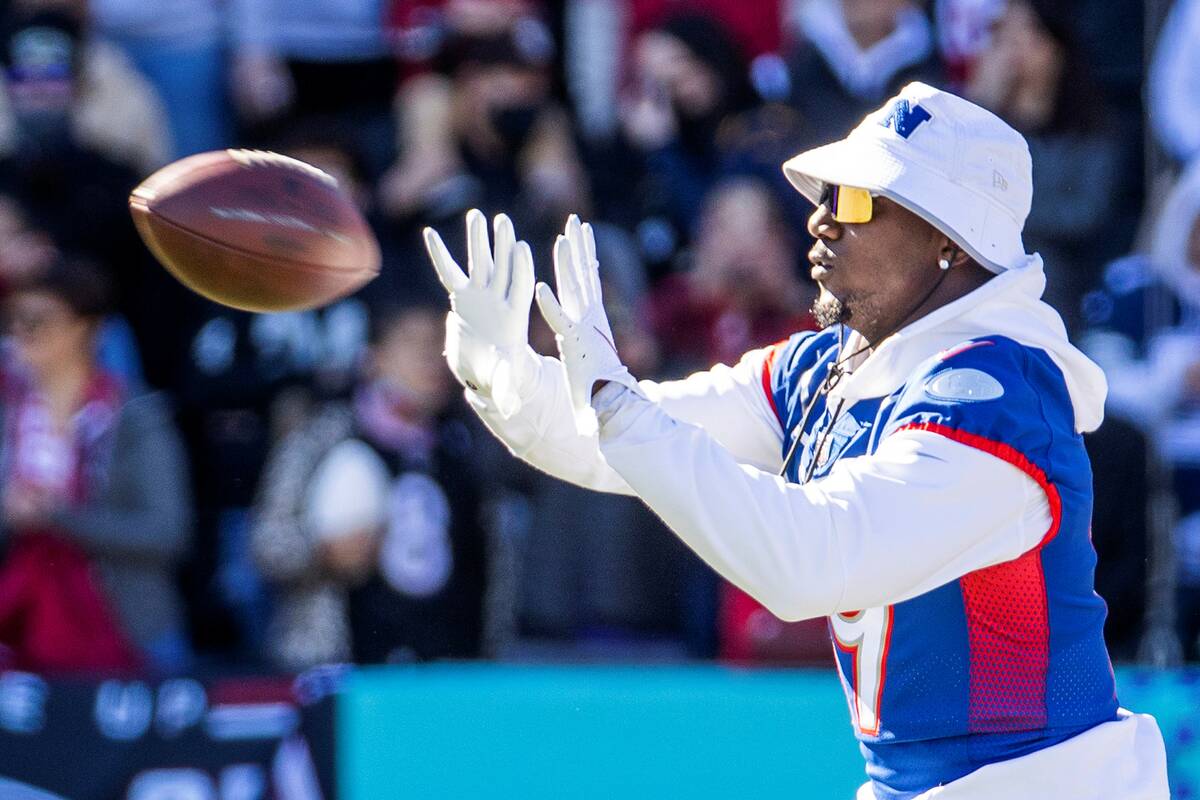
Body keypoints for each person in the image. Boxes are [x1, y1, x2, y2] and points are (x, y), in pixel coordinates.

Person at [422, 82, 1169, 798]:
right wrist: (505, 376)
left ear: (949, 238)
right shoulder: (830, 366)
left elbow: (813, 561)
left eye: (856, 200)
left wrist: (616, 406)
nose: (821, 221)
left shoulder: (999, 399)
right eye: (824, 196)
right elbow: (622, 444)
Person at [252, 302, 489, 670]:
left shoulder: (468, 444)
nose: (430, 358)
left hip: (450, 673)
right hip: (343, 668)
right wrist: (323, 553)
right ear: (373, 359)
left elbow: (491, 566)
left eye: (439, 344)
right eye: (411, 342)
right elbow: (267, 543)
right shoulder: (324, 437)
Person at [0, 258, 192, 674]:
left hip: (128, 629)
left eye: (37, 320)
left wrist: (59, 517)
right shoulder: (7, 410)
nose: (19, 333)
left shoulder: (137, 415)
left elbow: (166, 531)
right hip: (16, 626)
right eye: (12, 320)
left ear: (84, 328)